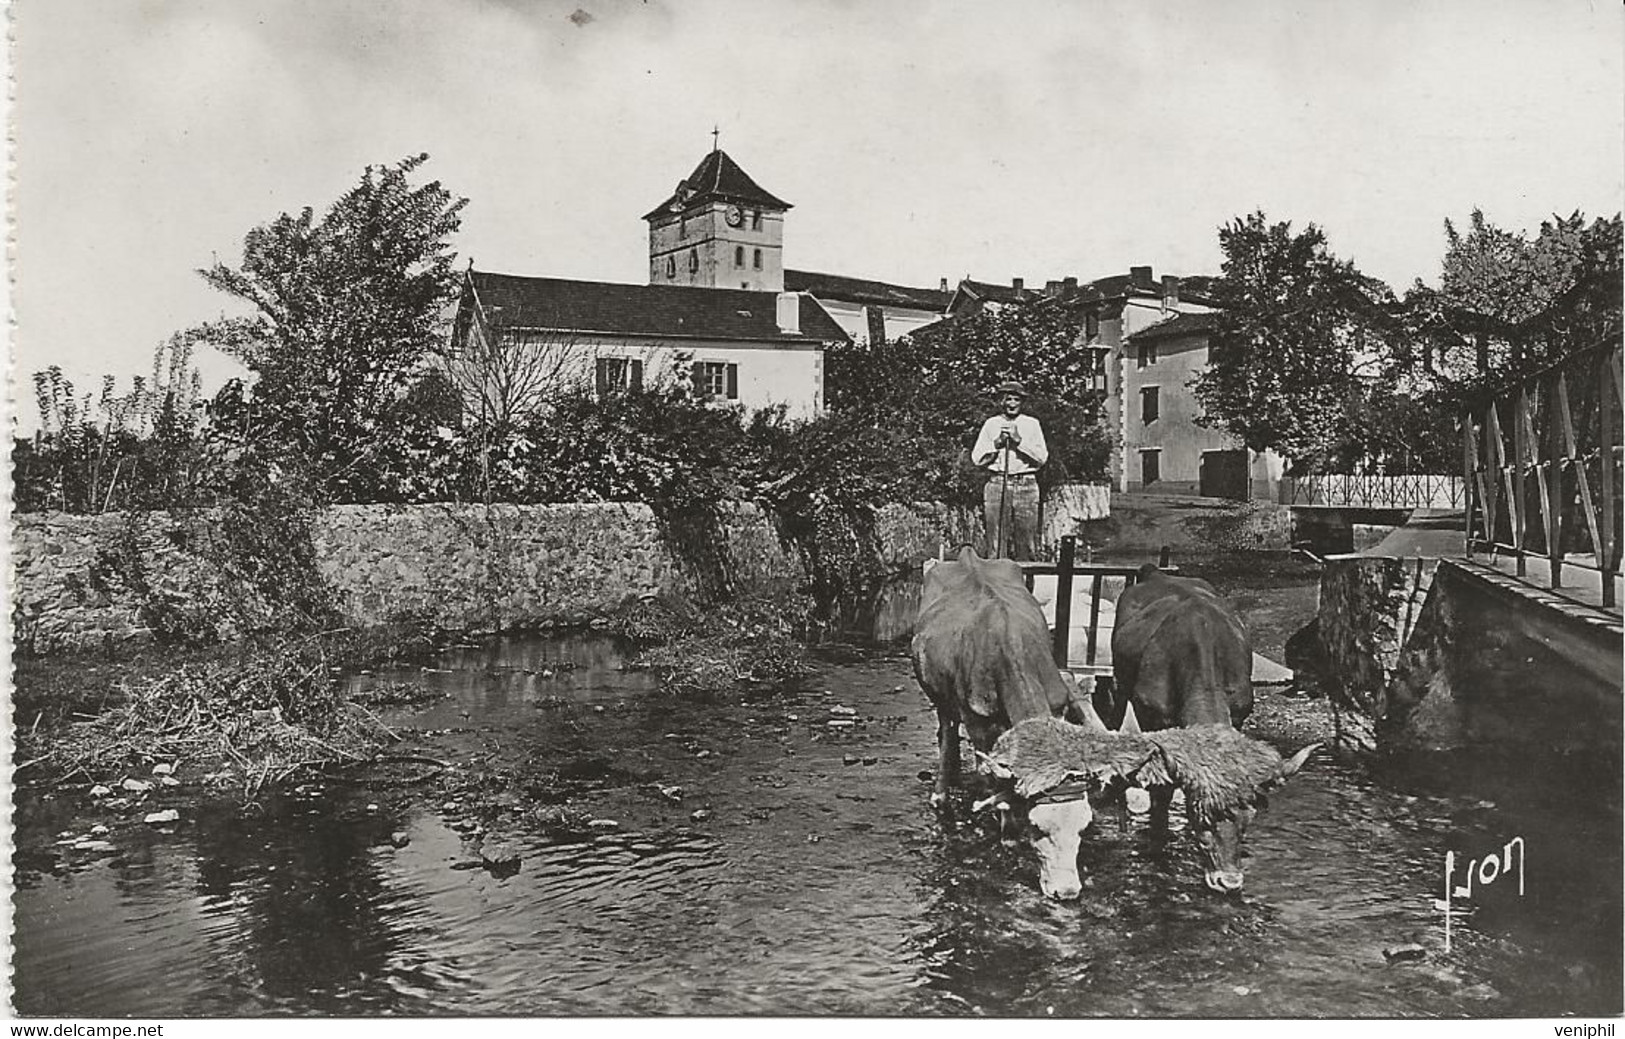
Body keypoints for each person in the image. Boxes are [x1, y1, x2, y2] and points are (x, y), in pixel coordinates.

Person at [972, 380, 1048, 560]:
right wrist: (996, 443)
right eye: (1008, 399)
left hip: (1026, 485)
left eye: (1016, 399)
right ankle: (996, 584)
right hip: (998, 483)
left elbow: (1042, 458)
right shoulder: (991, 424)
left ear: (1022, 402)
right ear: (1002, 401)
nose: (1012, 404)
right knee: (996, 542)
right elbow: (977, 458)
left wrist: (1019, 442)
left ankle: (1026, 584)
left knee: (1027, 540)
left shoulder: (1032, 424)